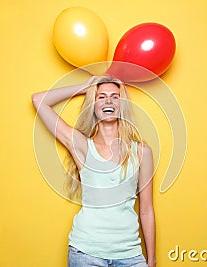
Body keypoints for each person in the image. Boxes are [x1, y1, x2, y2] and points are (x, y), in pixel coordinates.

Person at [32, 75, 156, 267]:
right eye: (101, 97)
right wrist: (83, 88)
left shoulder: (141, 152)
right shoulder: (81, 146)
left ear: (122, 104)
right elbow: (38, 100)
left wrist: (151, 258)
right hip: (86, 253)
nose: (108, 100)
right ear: (94, 105)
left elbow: (146, 209)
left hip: (130, 254)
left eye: (115, 96)